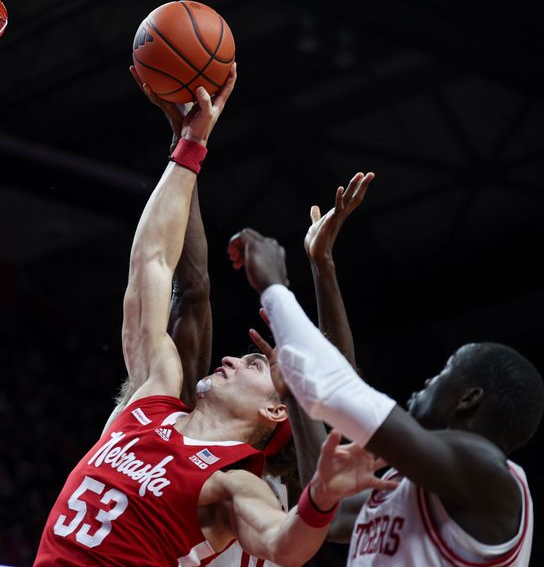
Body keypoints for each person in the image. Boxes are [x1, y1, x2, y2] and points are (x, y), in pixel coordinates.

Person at [34, 66, 395, 566]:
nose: (229, 356)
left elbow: (284, 544)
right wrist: (189, 146)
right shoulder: (151, 398)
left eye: (252, 365)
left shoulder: (238, 483)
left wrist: (321, 498)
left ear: (276, 411)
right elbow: (154, 266)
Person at [228, 223, 543, 566]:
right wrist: (292, 392)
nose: (427, 380)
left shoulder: (490, 477)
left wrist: (275, 288)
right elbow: (322, 504)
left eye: (444, 371)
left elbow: (342, 391)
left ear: (468, 398)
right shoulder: (406, 485)